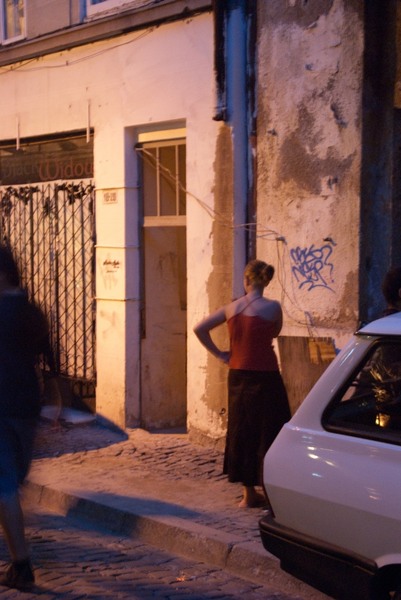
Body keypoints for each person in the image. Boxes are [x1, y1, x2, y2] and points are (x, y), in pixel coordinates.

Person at [193, 259, 291, 508]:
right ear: (265, 282)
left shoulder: (231, 308)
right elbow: (275, 332)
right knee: (270, 430)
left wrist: (220, 354)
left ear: (246, 280)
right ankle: (269, 490)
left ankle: (248, 495)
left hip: (238, 375)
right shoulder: (274, 307)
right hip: (267, 376)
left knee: (242, 430)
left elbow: (200, 328)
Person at [0, 245, 49, 590]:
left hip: (2, 405)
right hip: (27, 405)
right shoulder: (32, 311)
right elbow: (49, 356)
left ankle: (22, 565)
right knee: (12, 481)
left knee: (5, 486)